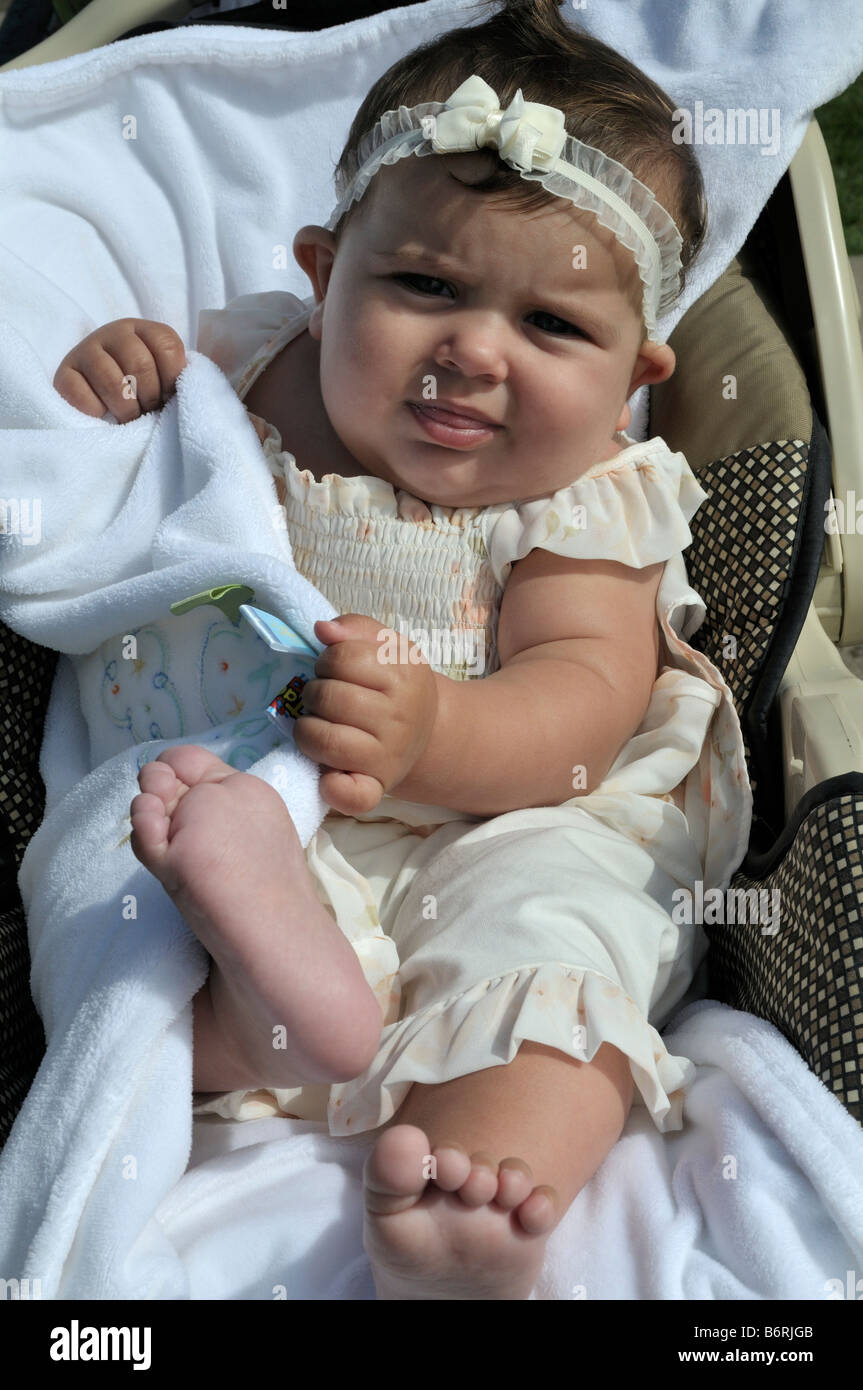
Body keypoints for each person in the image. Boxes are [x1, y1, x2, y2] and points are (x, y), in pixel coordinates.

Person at [52, 0, 748, 1300]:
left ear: (632, 376)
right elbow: (127, 426)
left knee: (560, 941)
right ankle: (274, 996)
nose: (473, 350)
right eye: (424, 285)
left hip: (510, 812)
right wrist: (126, 366)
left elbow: (586, 704)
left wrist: (439, 732)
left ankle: (484, 1182)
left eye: (553, 327)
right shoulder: (256, 363)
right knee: (113, 891)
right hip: (248, 786)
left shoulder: (591, 494)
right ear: (322, 275)